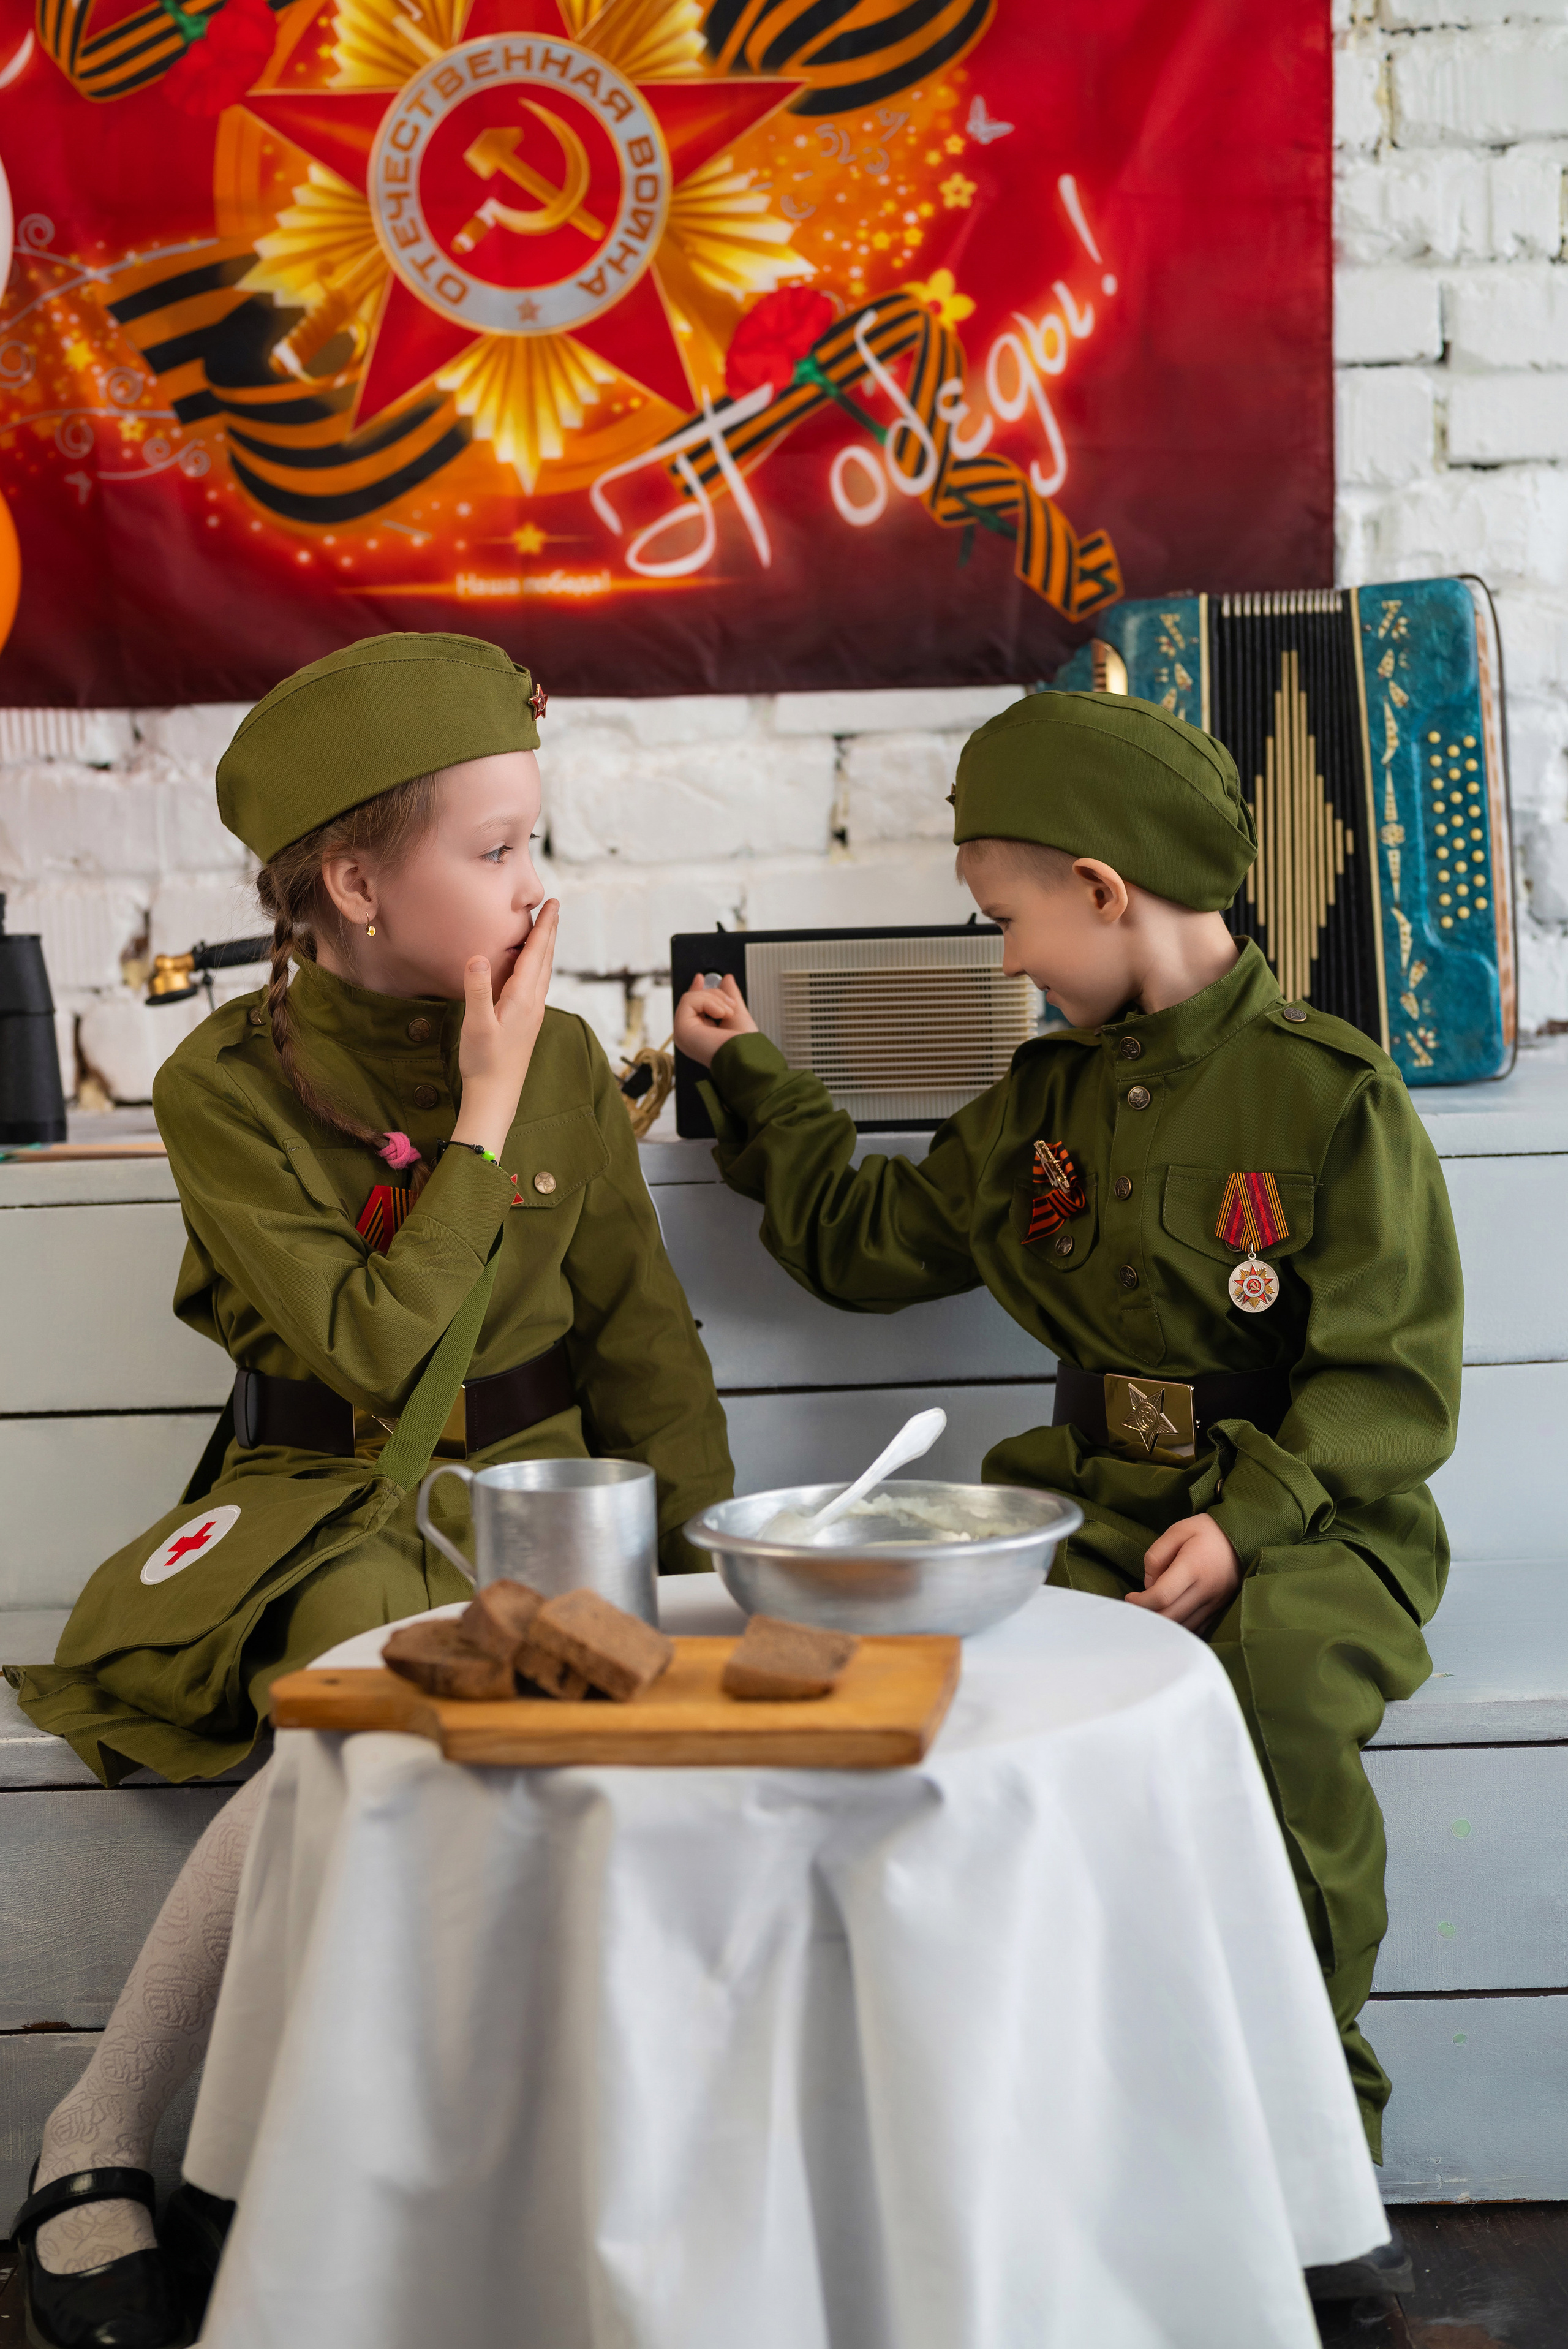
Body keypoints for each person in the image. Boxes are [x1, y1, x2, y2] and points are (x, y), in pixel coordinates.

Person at [673, 689, 1463, 2303]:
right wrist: (755, 1078)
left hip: (1311, 1514)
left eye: (1012, 916)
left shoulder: (1330, 1095)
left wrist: (1246, 1521)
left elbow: (1391, 1379)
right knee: (984, 1700)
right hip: (1095, 1501)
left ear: (1104, 889)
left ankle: (1322, 2181)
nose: (1010, 958)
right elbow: (864, 1240)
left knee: (1282, 1709)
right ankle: (1049, 2148)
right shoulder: (1045, 1106)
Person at [10, 631, 733, 2349]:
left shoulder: (566, 1058)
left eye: (530, 841)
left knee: (585, 1729)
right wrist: (479, 1119)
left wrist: (713, 1576)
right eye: (491, 851)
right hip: (335, 1496)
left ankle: (525, 2178)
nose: (531, 884)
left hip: (557, 1502)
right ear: (352, 881)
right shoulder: (223, 1090)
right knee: (375, 1709)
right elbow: (373, 1348)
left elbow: (643, 1346)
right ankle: (113, 2130)